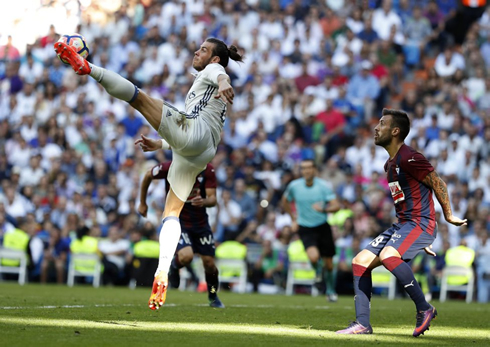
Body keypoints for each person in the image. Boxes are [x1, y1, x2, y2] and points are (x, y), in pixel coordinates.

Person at [54, 37, 243, 310]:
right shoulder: (203, 82)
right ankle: (163, 269)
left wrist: (225, 81)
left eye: (203, 49)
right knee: (171, 213)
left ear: (214, 58)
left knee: (138, 98)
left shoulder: (212, 73)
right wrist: (162, 144)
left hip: (195, 135)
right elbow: (190, 136)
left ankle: (88, 68)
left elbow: (219, 73)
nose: (196, 51)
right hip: (199, 153)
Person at [336, 109, 467, 336]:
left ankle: (424, 308)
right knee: (359, 261)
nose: (376, 128)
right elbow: (407, 202)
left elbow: (438, 183)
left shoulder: (410, 157)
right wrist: (414, 241)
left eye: (382, 124)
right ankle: (362, 324)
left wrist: (447, 215)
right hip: (406, 226)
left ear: (395, 131)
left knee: (388, 255)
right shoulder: (390, 165)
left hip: (420, 223)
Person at [138, 161, 224, 308]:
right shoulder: (170, 167)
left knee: (209, 264)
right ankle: (174, 267)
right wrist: (142, 203)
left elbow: (213, 199)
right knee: (186, 256)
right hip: (179, 221)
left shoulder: (207, 168)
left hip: (200, 223)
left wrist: (203, 201)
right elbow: (147, 175)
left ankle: (213, 295)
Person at [282, 159, 341, 302]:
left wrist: (324, 209)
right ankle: (318, 273)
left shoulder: (323, 186)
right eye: (303, 168)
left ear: (314, 169)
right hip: (305, 227)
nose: (306, 171)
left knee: (329, 263)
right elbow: (285, 201)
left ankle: (331, 291)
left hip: (322, 226)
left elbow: (336, 205)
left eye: (309, 168)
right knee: (313, 257)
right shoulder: (294, 186)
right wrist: (293, 219)